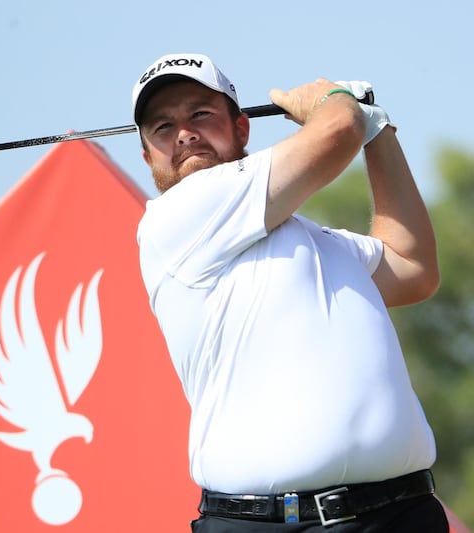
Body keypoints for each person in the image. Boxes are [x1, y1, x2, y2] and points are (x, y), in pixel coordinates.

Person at [132, 53, 448, 531]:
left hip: (400, 515)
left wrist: (378, 132)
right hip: (267, 523)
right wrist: (334, 103)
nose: (184, 134)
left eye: (200, 114)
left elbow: (413, 267)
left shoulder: (318, 239)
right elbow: (334, 131)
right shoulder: (174, 220)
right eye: (162, 127)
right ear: (148, 157)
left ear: (242, 130)